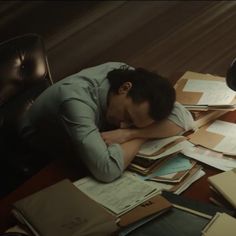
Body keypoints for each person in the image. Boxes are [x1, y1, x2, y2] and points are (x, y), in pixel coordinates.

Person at [19, 62, 194, 182]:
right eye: (128, 117)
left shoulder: (128, 77)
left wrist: (132, 134)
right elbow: (106, 171)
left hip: (84, 140)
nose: (123, 125)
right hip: (40, 157)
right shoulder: (75, 101)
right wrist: (143, 136)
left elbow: (184, 118)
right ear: (125, 88)